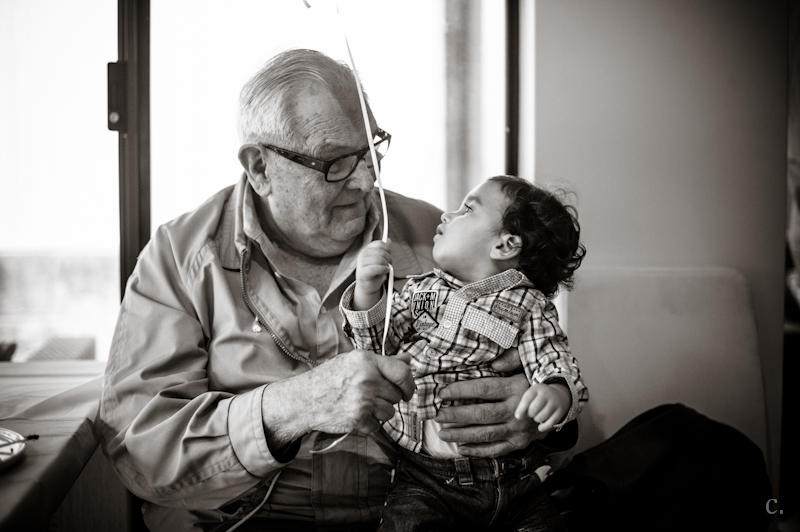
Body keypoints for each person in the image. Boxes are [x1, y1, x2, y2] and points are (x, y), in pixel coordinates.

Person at [97, 49, 569, 532]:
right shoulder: (178, 256)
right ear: (260, 167)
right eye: (336, 161)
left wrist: (531, 413)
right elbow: (143, 450)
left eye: (372, 149)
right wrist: (299, 405)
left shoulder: (441, 240)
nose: (368, 180)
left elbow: (542, 351)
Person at [340, 176, 588, 531]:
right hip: (424, 477)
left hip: (512, 480)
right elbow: (377, 348)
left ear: (506, 244)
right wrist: (367, 290)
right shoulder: (420, 289)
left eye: (467, 208)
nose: (447, 215)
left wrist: (558, 392)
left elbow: (552, 357)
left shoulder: (529, 305)